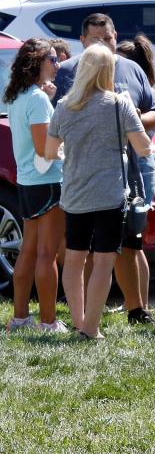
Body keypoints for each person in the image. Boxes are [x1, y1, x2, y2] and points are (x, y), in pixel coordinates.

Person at [53, 13, 155, 326]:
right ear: (83, 41)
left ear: (116, 36)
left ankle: (138, 309)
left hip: (134, 171)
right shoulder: (67, 72)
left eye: (109, 38)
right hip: (86, 175)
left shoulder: (131, 68)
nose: (104, 45)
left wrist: (133, 118)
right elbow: (56, 127)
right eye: (96, 39)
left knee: (132, 243)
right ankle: (86, 317)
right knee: (85, 251)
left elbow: (154, 113)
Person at [4, 38, 66, 333]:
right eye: (52, 59)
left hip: (29, 181)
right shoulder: (38, 99)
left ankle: (19, 318)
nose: (58, 65)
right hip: (48, 181)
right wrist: (69, 141)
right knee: (46, 254)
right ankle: (48, 322)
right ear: (36, 62)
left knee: (28, 251)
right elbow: (45, 149)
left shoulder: (19, 96)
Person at [116, 34, 155, 311]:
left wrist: (127, 116)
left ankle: (139, 303)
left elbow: (144, 127)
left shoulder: (143, 92)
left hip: (140, 168)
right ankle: (134, 302)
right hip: (134, 166)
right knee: (131, 244)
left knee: (134, 244)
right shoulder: (138, 89)